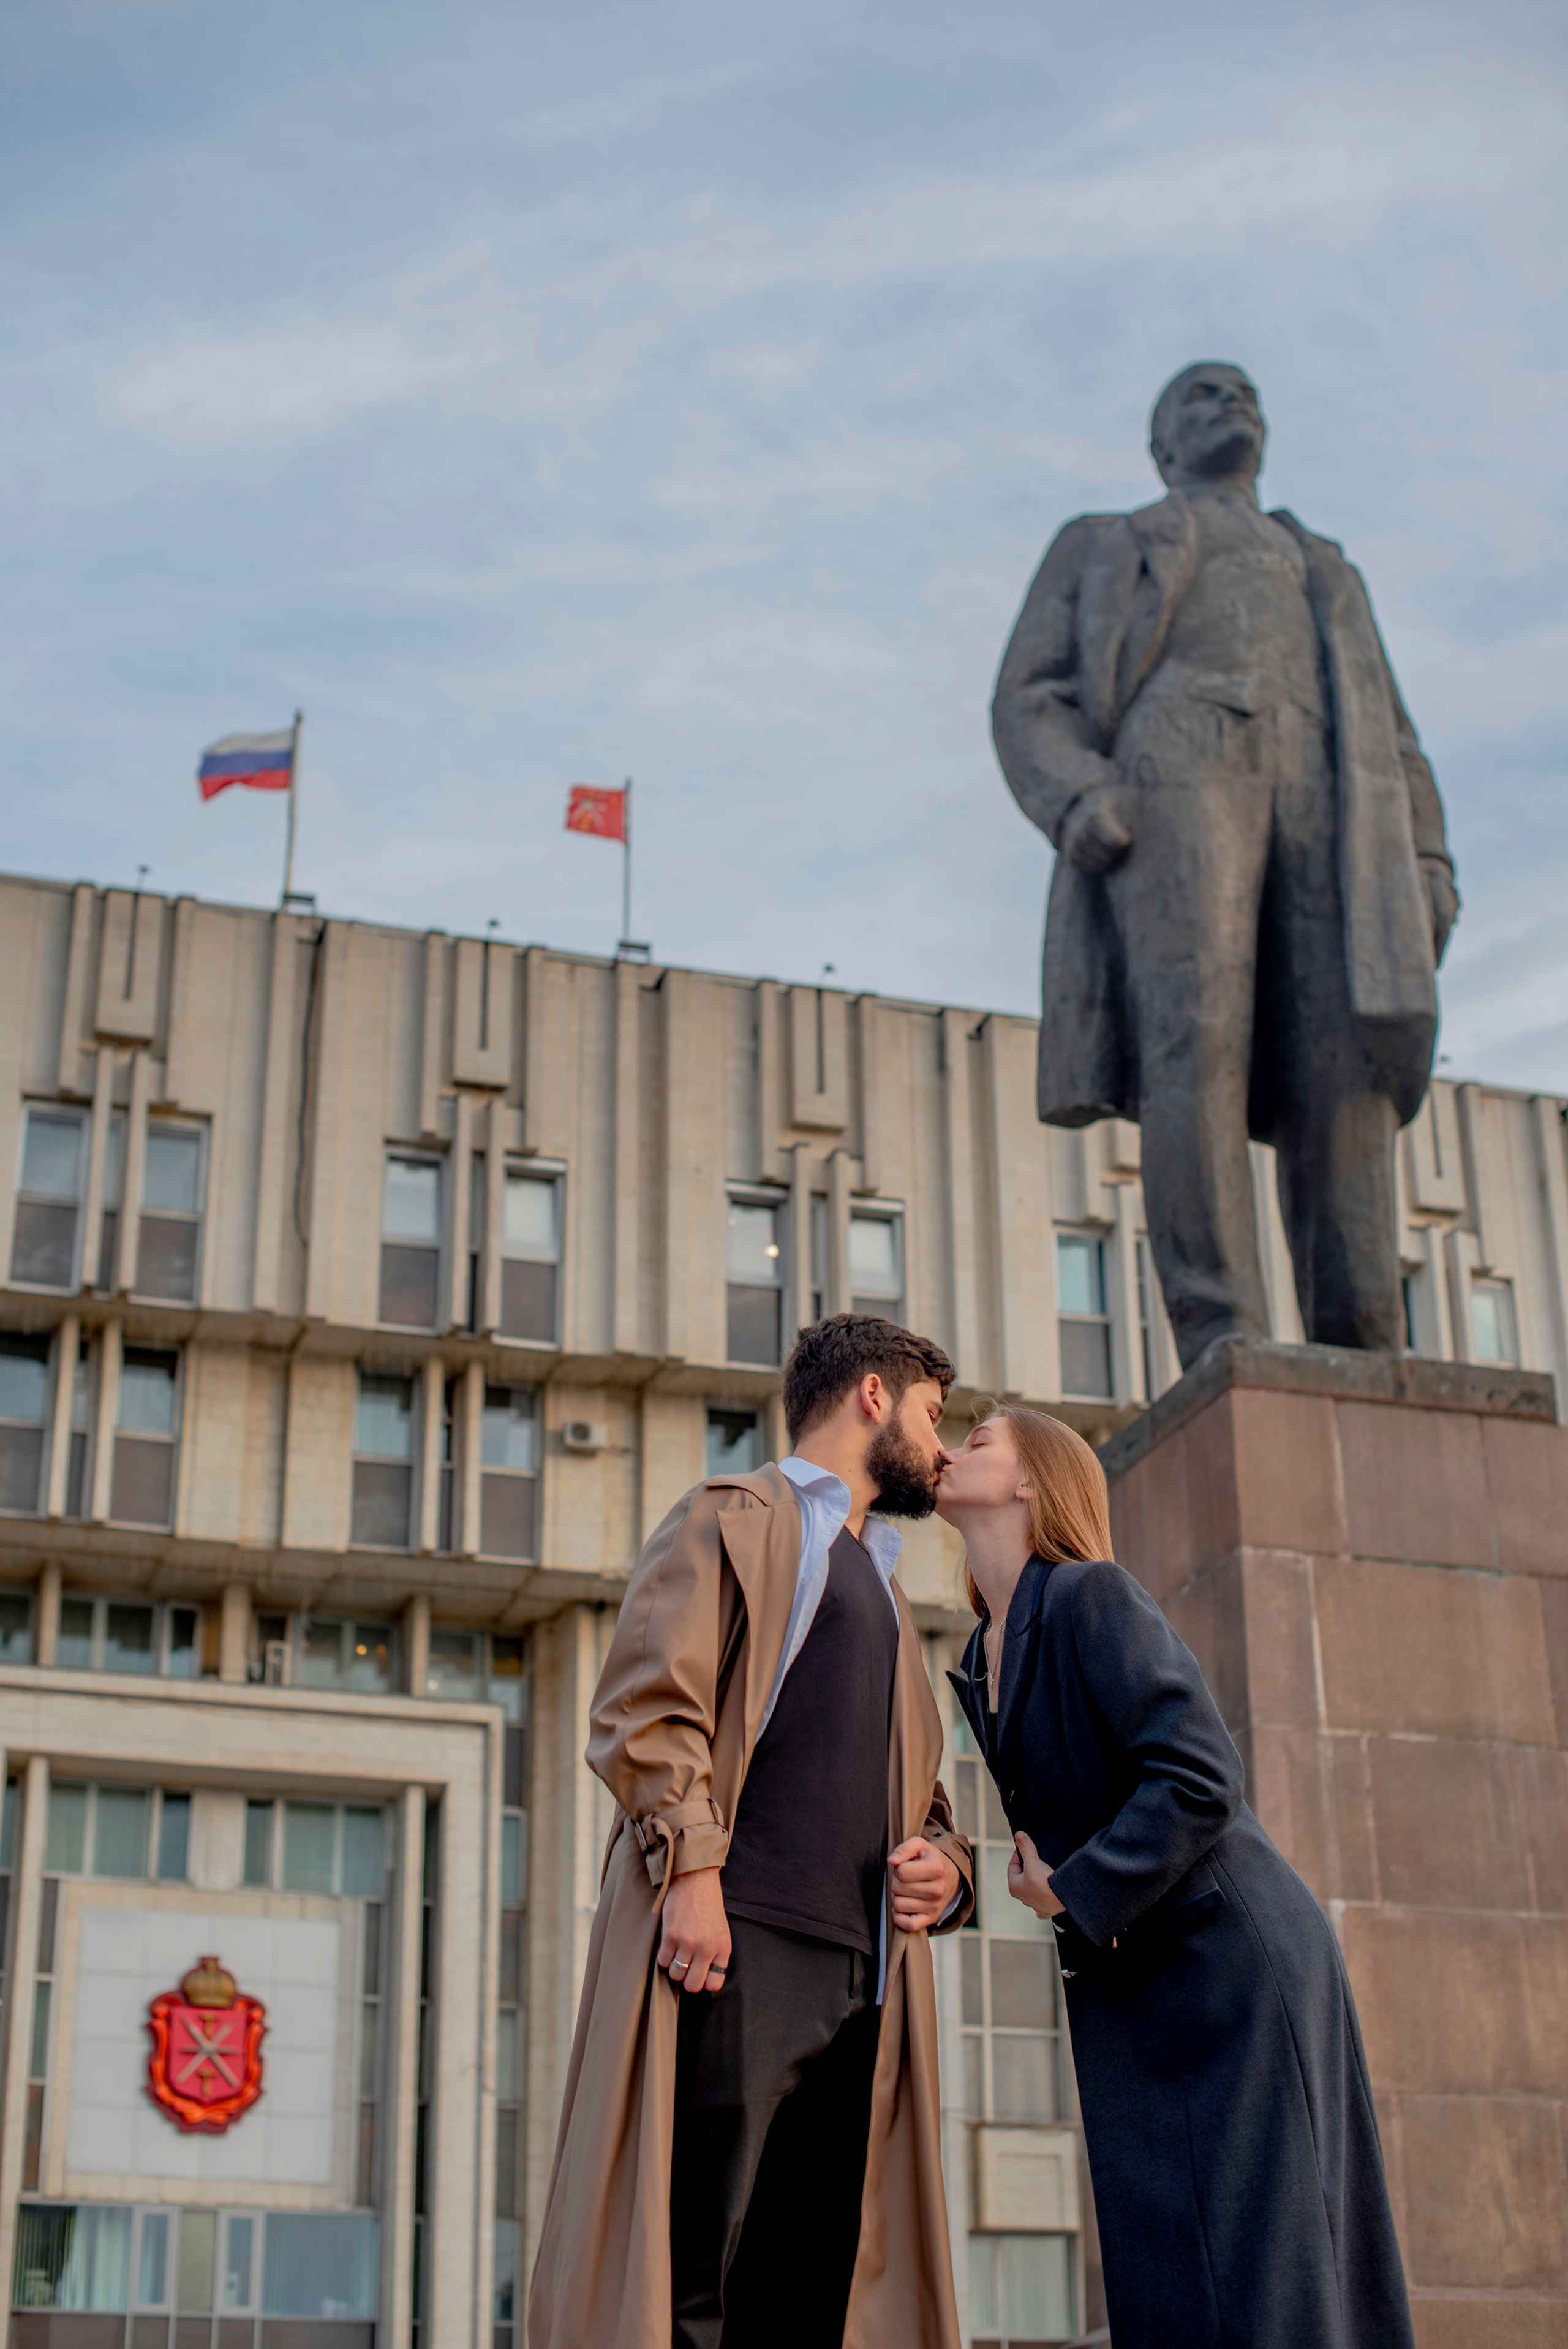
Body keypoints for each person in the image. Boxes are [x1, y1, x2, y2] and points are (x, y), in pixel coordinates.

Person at [991, 361, 1459, 1365]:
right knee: (1196, 1037)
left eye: (1243, 393)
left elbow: (1394, 731)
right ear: (1163, 446)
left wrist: (1427, 852)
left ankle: (1366, 1341)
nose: (1230, 405)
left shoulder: (1323, 564)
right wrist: (1080, 793)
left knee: (1347, 1064)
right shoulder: (1108, 542)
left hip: (1338, 804)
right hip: (1178, 773)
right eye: (1202, 395)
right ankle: (1223, 1328)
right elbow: (1028, 691)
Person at [529, 1314, 976, 2349]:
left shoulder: (891, 1586)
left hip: (865, 1978)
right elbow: (647, 1707)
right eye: (931, 1413)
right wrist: (691, 1871)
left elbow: (924, 1795)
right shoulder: (735, 1516)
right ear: (874, 1394)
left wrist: (947, 1872)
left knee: (809, 2284)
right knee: (696, 2272)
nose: (942, 1446)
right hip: (739, 1949)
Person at [938, 1403, 1414, 2349]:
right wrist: (1057, 1891)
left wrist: (1074, 1888)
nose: (950, 1449)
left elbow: (1201, 1775)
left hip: (1230, 1961)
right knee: (1176, 2270)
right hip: (1143, 1970)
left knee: (1259, 2263)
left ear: (1033, 1481)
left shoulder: (1090, 1593)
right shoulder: (979, 1655)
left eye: (979, 1440)